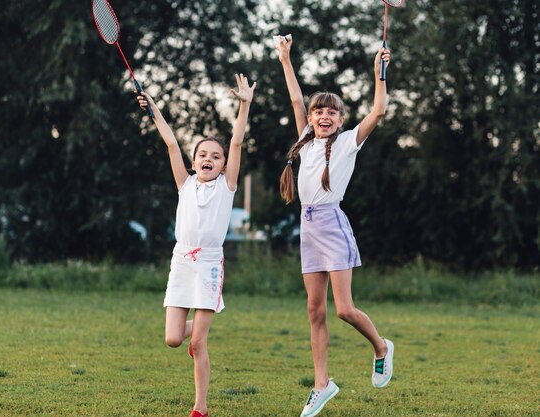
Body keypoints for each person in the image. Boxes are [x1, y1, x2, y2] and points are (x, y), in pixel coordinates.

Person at [275, 34, 394, 417]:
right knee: (315, 310)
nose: (323, 116)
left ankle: (381, 347)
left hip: (333, 224)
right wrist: (285, 59)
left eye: (331, 113)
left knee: (343, 309)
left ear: (340, 120)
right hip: (308, 227)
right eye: (317, 111)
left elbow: (378, 112)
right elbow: (295, 98)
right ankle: (322, 385)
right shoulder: (306, 142)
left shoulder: (346, 144)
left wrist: (380, 74)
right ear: (311, 118)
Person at [136, 73, 256, 417]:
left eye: (215, 156)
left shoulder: (227, 187)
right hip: (181, 264)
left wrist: (244, 105)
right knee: (174, 339)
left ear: (222, 166)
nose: (209, 158)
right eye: (202, 154)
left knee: (197, 343)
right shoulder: (185, 184)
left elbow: (236, 142)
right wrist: (153, 108)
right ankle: (204, 322)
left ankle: (200, 407)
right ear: (193, 161)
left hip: (209, 265)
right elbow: (171, 142)